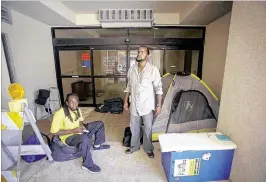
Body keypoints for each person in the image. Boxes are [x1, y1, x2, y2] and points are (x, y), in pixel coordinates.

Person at [50, 93, 110, 173]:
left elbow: (80, 121)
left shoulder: (77, 109)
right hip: (68, 137)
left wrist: (82, 126)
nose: (75, 104)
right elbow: (54, 132)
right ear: (67, 103)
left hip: (79, 130)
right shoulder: (59, 113)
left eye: (76, 102)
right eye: (72, 102)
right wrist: (73, 131)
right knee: (85, 138)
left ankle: (97, 145)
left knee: (99, 124)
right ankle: (87, 164)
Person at [123, 46, 163, 158]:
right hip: (134, 104)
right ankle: (134, 146)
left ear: (147, 55)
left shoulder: (153, 70)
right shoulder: (132, 69)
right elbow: (129, 86)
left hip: (147, 104)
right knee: (134, 127)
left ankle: (148, 148)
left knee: (148, 128)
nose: (139, 53)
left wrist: (158, 105)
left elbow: (158, 88)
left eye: (142, 52)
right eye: (138, 52)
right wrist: (126, 101)